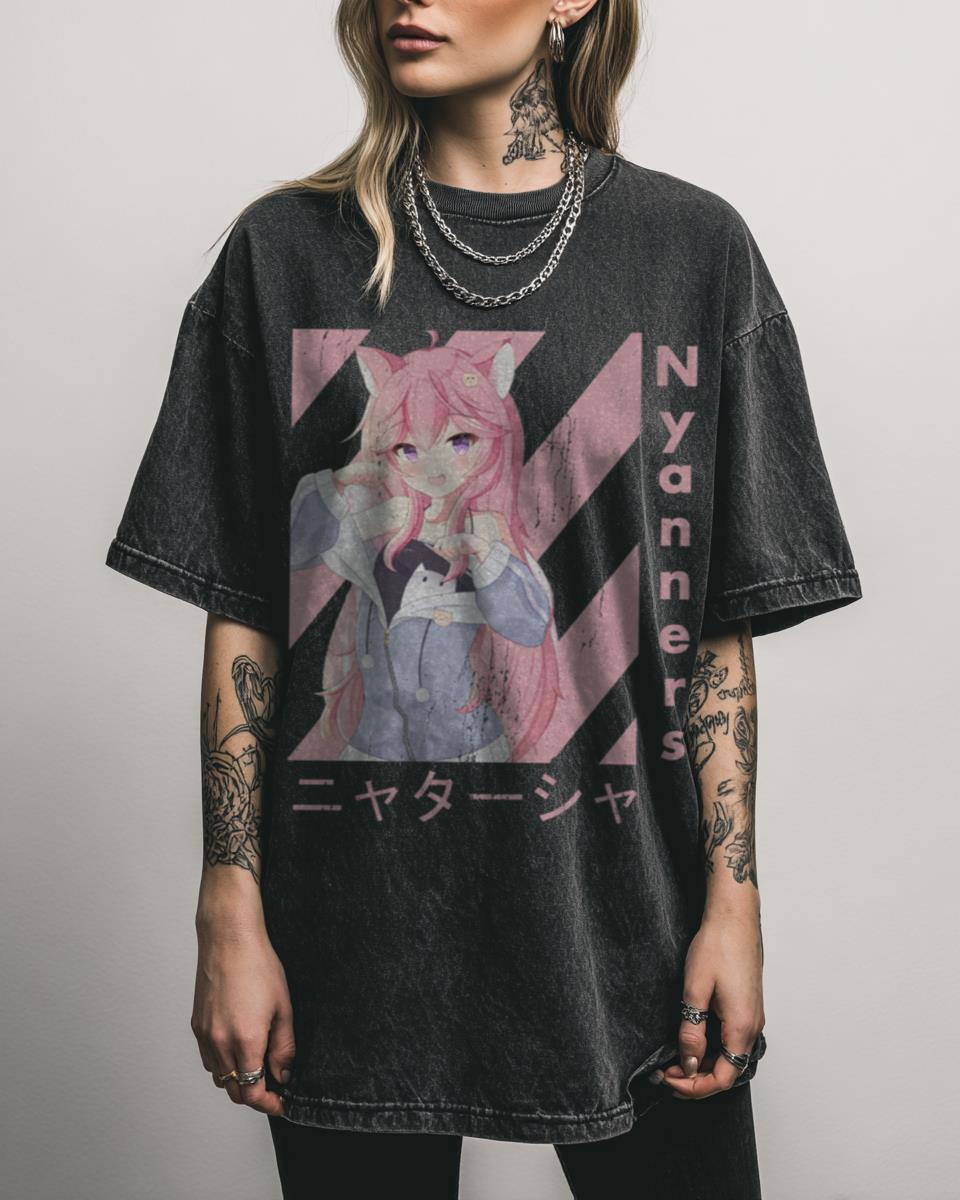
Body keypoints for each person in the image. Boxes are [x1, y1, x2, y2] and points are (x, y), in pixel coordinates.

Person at [103, 0, 864, 1196]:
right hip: (352, 936)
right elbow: (244, 609)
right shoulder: (283, 252)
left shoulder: (692, 250)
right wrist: (228, 904)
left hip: (628, 926)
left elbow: (710, 628)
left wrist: (735, 900)